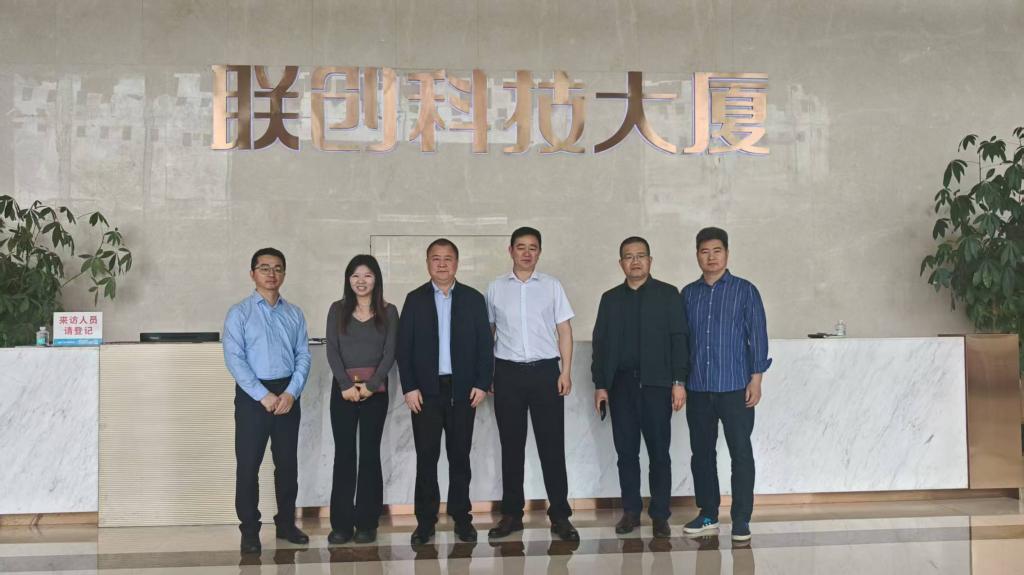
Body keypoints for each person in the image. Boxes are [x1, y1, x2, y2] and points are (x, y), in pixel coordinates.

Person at [591, 236, 689, 538]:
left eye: (640, 255)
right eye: (628, 256)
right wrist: (600, 385)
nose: (635, 261)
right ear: (621, 263)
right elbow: (600, 344)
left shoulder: (668, 295)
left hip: (657, 386)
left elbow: (679, 340)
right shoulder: (610, 299)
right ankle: (631, 511)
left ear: (650, 260)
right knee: (626, 453)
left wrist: (679, 382)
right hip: (621, 386)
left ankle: (660, 514)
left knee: (659, 453)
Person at [486, 227, 580, 542]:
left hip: (545, 373)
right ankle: (512, 515)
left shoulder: (552, 286)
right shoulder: (495, 288)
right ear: (510, 250)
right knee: (511, 447)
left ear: (539, 252)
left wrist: (565, 371)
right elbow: (488, 334)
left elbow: (564, 331)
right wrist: (488, 374)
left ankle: (561, 516)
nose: (527, 253)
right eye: (521, 247)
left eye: (533, 248)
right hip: (507, 374)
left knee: (552, 447)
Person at [398, 239, 493, 545]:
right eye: (436, 258)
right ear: (427, 263)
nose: (442, 264)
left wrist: (482, 383)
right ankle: (425, 522)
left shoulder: (473, 299)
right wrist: (409, 387)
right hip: (425, 393)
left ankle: (461, 518)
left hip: (463, 391)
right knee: (427, 458)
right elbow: (404, 348)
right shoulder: (414, 300)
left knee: (460, 457)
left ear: (457, 263)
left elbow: (485, 345)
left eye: (448, 258)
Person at [681, 227, 771, 542]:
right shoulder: (688, 294)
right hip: (698, 387)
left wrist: (756, 379)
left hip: (735, 386)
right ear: (697, 255)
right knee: (701, 454)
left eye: (717, 251)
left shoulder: (745, 290)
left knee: (740, 453)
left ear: (727, 254)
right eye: (705, 251)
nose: (711, 257)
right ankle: (707, 513)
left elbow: (757, 336)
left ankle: (741, 519)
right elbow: (682, 342)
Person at [223, 247, 311, 554]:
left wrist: (291, 392)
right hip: (253, 397)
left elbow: (303, 355)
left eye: (277, 268)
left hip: (287, 394)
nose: (271, 274)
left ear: (284, 274)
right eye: (264, 268)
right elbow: (234, 359)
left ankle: (286, 524)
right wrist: (263, 395)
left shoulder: (294, 313)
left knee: (287, 465)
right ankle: (250, 530)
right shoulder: (239, 313)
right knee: (248, 466)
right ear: (252, 274)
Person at [324, 255, 399, 545]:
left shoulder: (389, 311)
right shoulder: (337, 309)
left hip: (375, 393)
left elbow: (390, 352)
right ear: (348, 279)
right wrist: (345, 384)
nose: (361, 281)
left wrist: (372, 384)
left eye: (367, 275)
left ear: (376, 279)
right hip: (342, 392)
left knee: (369, 455)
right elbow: (332, 349)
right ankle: (341, 525)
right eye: (355, 275)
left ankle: (367, 523)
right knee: (344, 456)